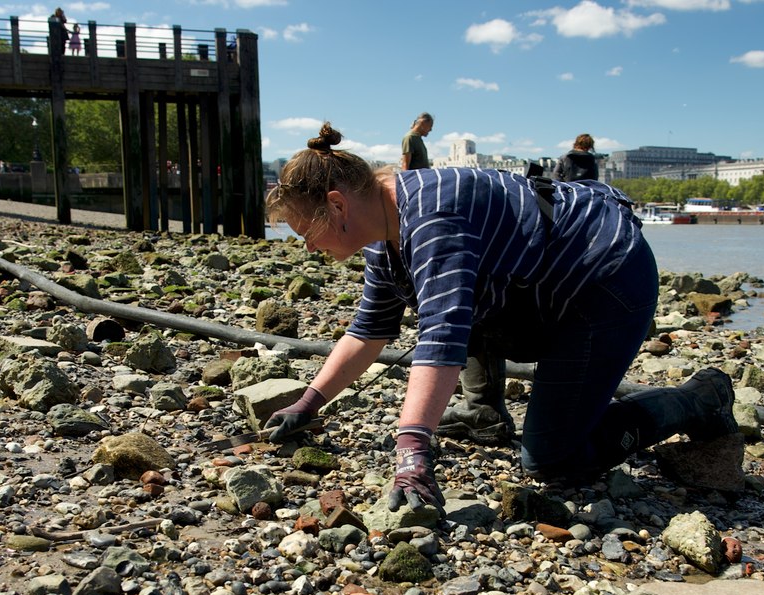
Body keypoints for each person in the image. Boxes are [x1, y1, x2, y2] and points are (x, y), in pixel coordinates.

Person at [264, 123, 738, 513]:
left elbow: (442, 334)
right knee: (457, 301)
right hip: (537, 287)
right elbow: (369, 330)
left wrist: (411, 452)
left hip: (605, 281)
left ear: (338, 205)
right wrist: (307, 405)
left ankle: (700, 397)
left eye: (307, 231)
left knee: (553, 459)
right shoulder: (382, 235)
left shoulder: (431, 216)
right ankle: (483, 411)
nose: (307, 246)